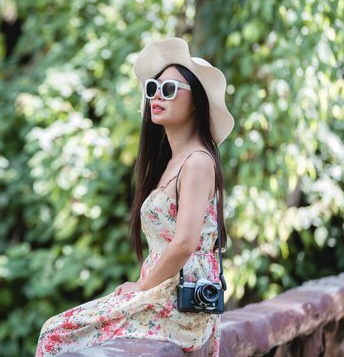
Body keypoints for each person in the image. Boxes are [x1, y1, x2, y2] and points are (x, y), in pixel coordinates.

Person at [35, 37, 235, 357]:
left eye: (169, 90)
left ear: (196, 101)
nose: (157, 95)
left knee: (56, 333)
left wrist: (139, 289)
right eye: (153, 87)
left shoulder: (197, 162)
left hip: (181, 303)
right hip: (160, 294)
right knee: (56, 331)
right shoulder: (173, 161)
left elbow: (184, 244)